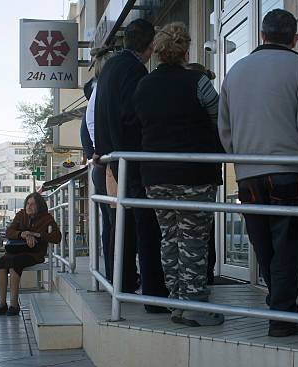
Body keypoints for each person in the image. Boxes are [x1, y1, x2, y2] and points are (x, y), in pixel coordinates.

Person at [218, 9, 298, 337]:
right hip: (289, 172)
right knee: (290, 244)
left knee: (263, 243)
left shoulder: (235, 72)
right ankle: (283, 316)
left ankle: (278, 302)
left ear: (262, 36)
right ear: (295, 38)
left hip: (248, 175)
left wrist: (240, 159)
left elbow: (224, 129)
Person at [134, 22, 224, 326]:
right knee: (194, 238)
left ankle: (176, 302)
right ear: (186, 50)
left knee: (169, 237)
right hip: (195, 174)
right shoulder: (198, 82)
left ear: (157, 51)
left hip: (155, 176)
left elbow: (140, 123)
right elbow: (219, 118)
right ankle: (195, 305)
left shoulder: (143, 86)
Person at [93, 18, 168, 313]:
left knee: (121, 225)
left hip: (112, 160)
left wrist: (103, 150)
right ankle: (153, 296)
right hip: (132, 160)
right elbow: (132, 116)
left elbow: (100, 114)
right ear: (150, 47)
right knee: (146, 227)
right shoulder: (135, 71)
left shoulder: (110, 68)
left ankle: (122, 283)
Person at [0, 193, 61, 316]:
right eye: (28, 203)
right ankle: (2, 304)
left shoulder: (47, 218)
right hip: (16, 250)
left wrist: (38, 235)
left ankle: (14, 305)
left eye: (33, 204)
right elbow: (9, 231)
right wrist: (22, 234)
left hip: (34, 253)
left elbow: (57, 237)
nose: (29, 206)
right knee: (1, 264)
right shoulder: (21, 215)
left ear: (39, 205)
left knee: (15, 263)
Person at [82, 46, 115, 282]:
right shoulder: (103, 92)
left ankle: (115, 273)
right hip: (107, 166)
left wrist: (91, 151)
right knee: (116, 223)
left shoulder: (94, 93)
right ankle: (118, 275)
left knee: (110, 224)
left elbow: (86, 130)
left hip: (99, 165)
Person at [185, 62, 218, 286]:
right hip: (206, 172)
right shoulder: (207, 104)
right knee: (204, 228)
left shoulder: (190, 101)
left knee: (183, 234)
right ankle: (206, 274)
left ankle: (192, 282)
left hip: (191, 173)